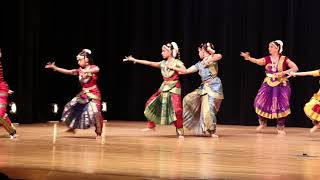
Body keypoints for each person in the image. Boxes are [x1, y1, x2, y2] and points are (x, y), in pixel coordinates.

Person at [124, 42, 186, 138]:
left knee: (177, 110)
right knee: (149, 103)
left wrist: (173, 67)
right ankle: (151, 126)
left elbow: (184, 70)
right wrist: (134, 59)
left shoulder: (177, 62)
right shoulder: (163, 63)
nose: (162, 53)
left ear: (170, 52)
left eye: (164, 51)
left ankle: (180, 130)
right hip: (164, 87)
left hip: (174, 88)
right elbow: (149, 63)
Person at [240, 40, 298, 135]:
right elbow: (258, 61)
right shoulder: (267, 58)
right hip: (268, 84)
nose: (269, 48)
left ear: (277, 48)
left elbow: (295, 68)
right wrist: (249, 58)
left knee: (281, 105)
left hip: (281, 84)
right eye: (269, 46)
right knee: (260, 101)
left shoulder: (284, 59)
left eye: (271, 46)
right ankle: (262, 123)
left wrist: (283, 72)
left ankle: (280, 127)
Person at [167, 42, 223, 137]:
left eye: (199, 51)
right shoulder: (199, 64)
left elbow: (219, 56)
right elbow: (186, 71)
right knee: (187, 99)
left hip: (214, 87)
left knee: (208, 109)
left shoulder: (212, 59)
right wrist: (173, 68)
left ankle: (212, 131)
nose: (198, 53)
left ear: (203, 51)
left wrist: (210, 53)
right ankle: (191, 120)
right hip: (204, 88)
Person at [45, 49, 104, 138]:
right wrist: (55, 68)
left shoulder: (92, 67)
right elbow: (68, 71)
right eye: (78, 60)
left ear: (86, 60)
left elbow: (97, 69)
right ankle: (72, 128)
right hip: (84, 93)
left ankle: (98, 132)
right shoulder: (79, 70)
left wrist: (87, 71)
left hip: (93, 93)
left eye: (80, 60)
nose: (78, 62)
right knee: (72, 106)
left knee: (96, 113)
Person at [0, 48, 17, 139]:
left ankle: (12, 131)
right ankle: (10, 125)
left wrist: (6, 90)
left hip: (2, 89)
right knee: (2, 114)